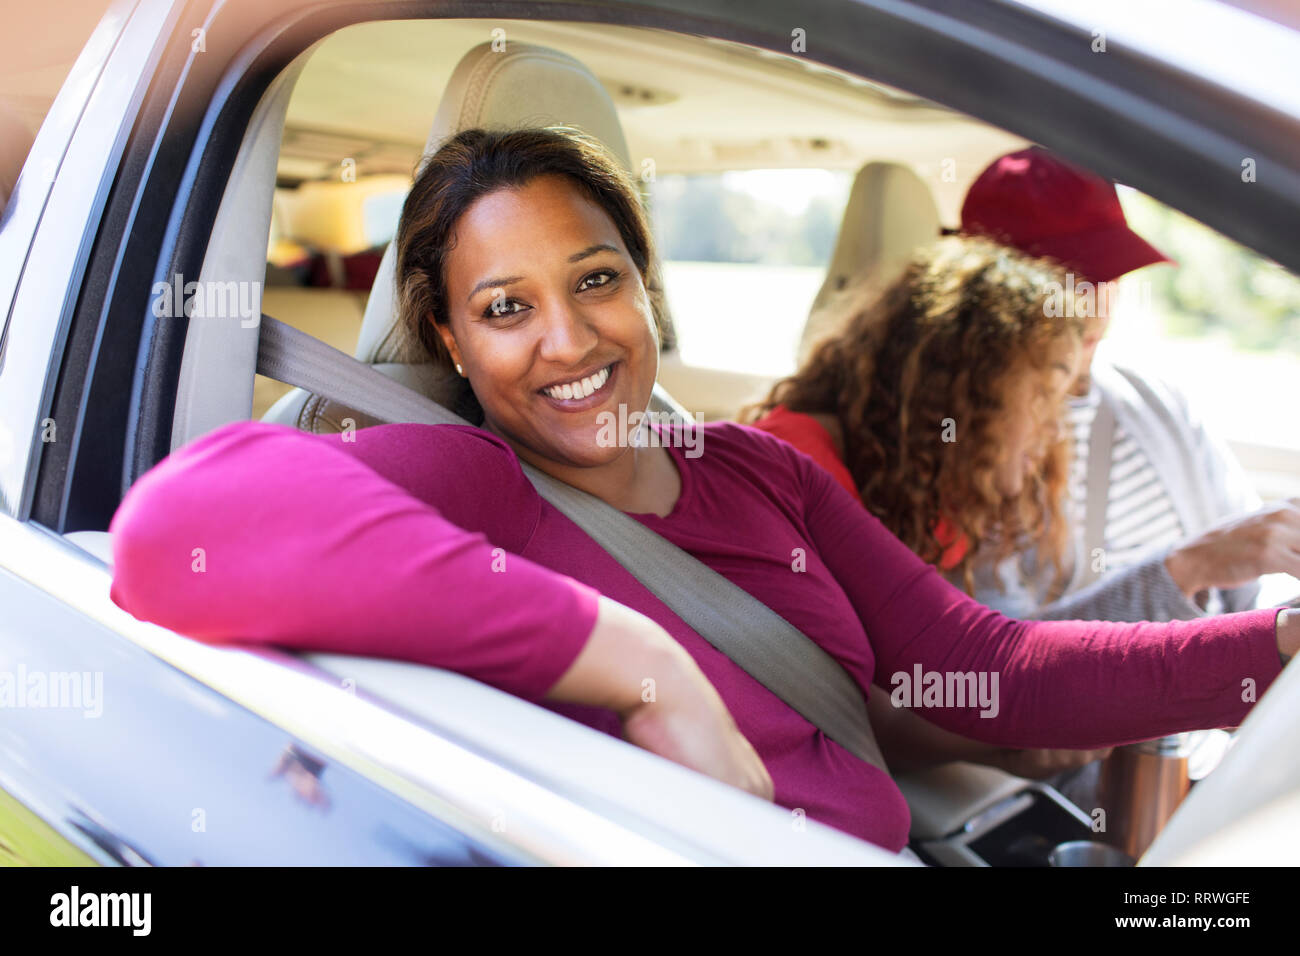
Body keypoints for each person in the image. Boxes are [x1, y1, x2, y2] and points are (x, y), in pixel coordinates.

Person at [107, 127, 1298, 853]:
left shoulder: (757, 467)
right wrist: (640, 660)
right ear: (452, 342)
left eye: (596, 280)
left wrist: (1276, 647)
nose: (569, 342)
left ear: (647, 287)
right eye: (506, 308)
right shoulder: (476, 478)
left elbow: (991, 666)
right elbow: (171, 529)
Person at [745, 236, 1113, 776]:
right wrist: (1007, 746)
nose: (1054, 429)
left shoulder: (929, 493)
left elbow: (923, 671)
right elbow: (845, 709)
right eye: (1041, 396)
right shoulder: (794, 466)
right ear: (966, 390)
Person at [958, 145, 1300, 623]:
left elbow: (1253, 585)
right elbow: (1005, 667)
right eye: (1068, 280)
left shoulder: (1156, 401)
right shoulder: (965, 448)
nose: (1096, 305)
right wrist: (1188, 569)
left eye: (1108, 272)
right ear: (995, 294)